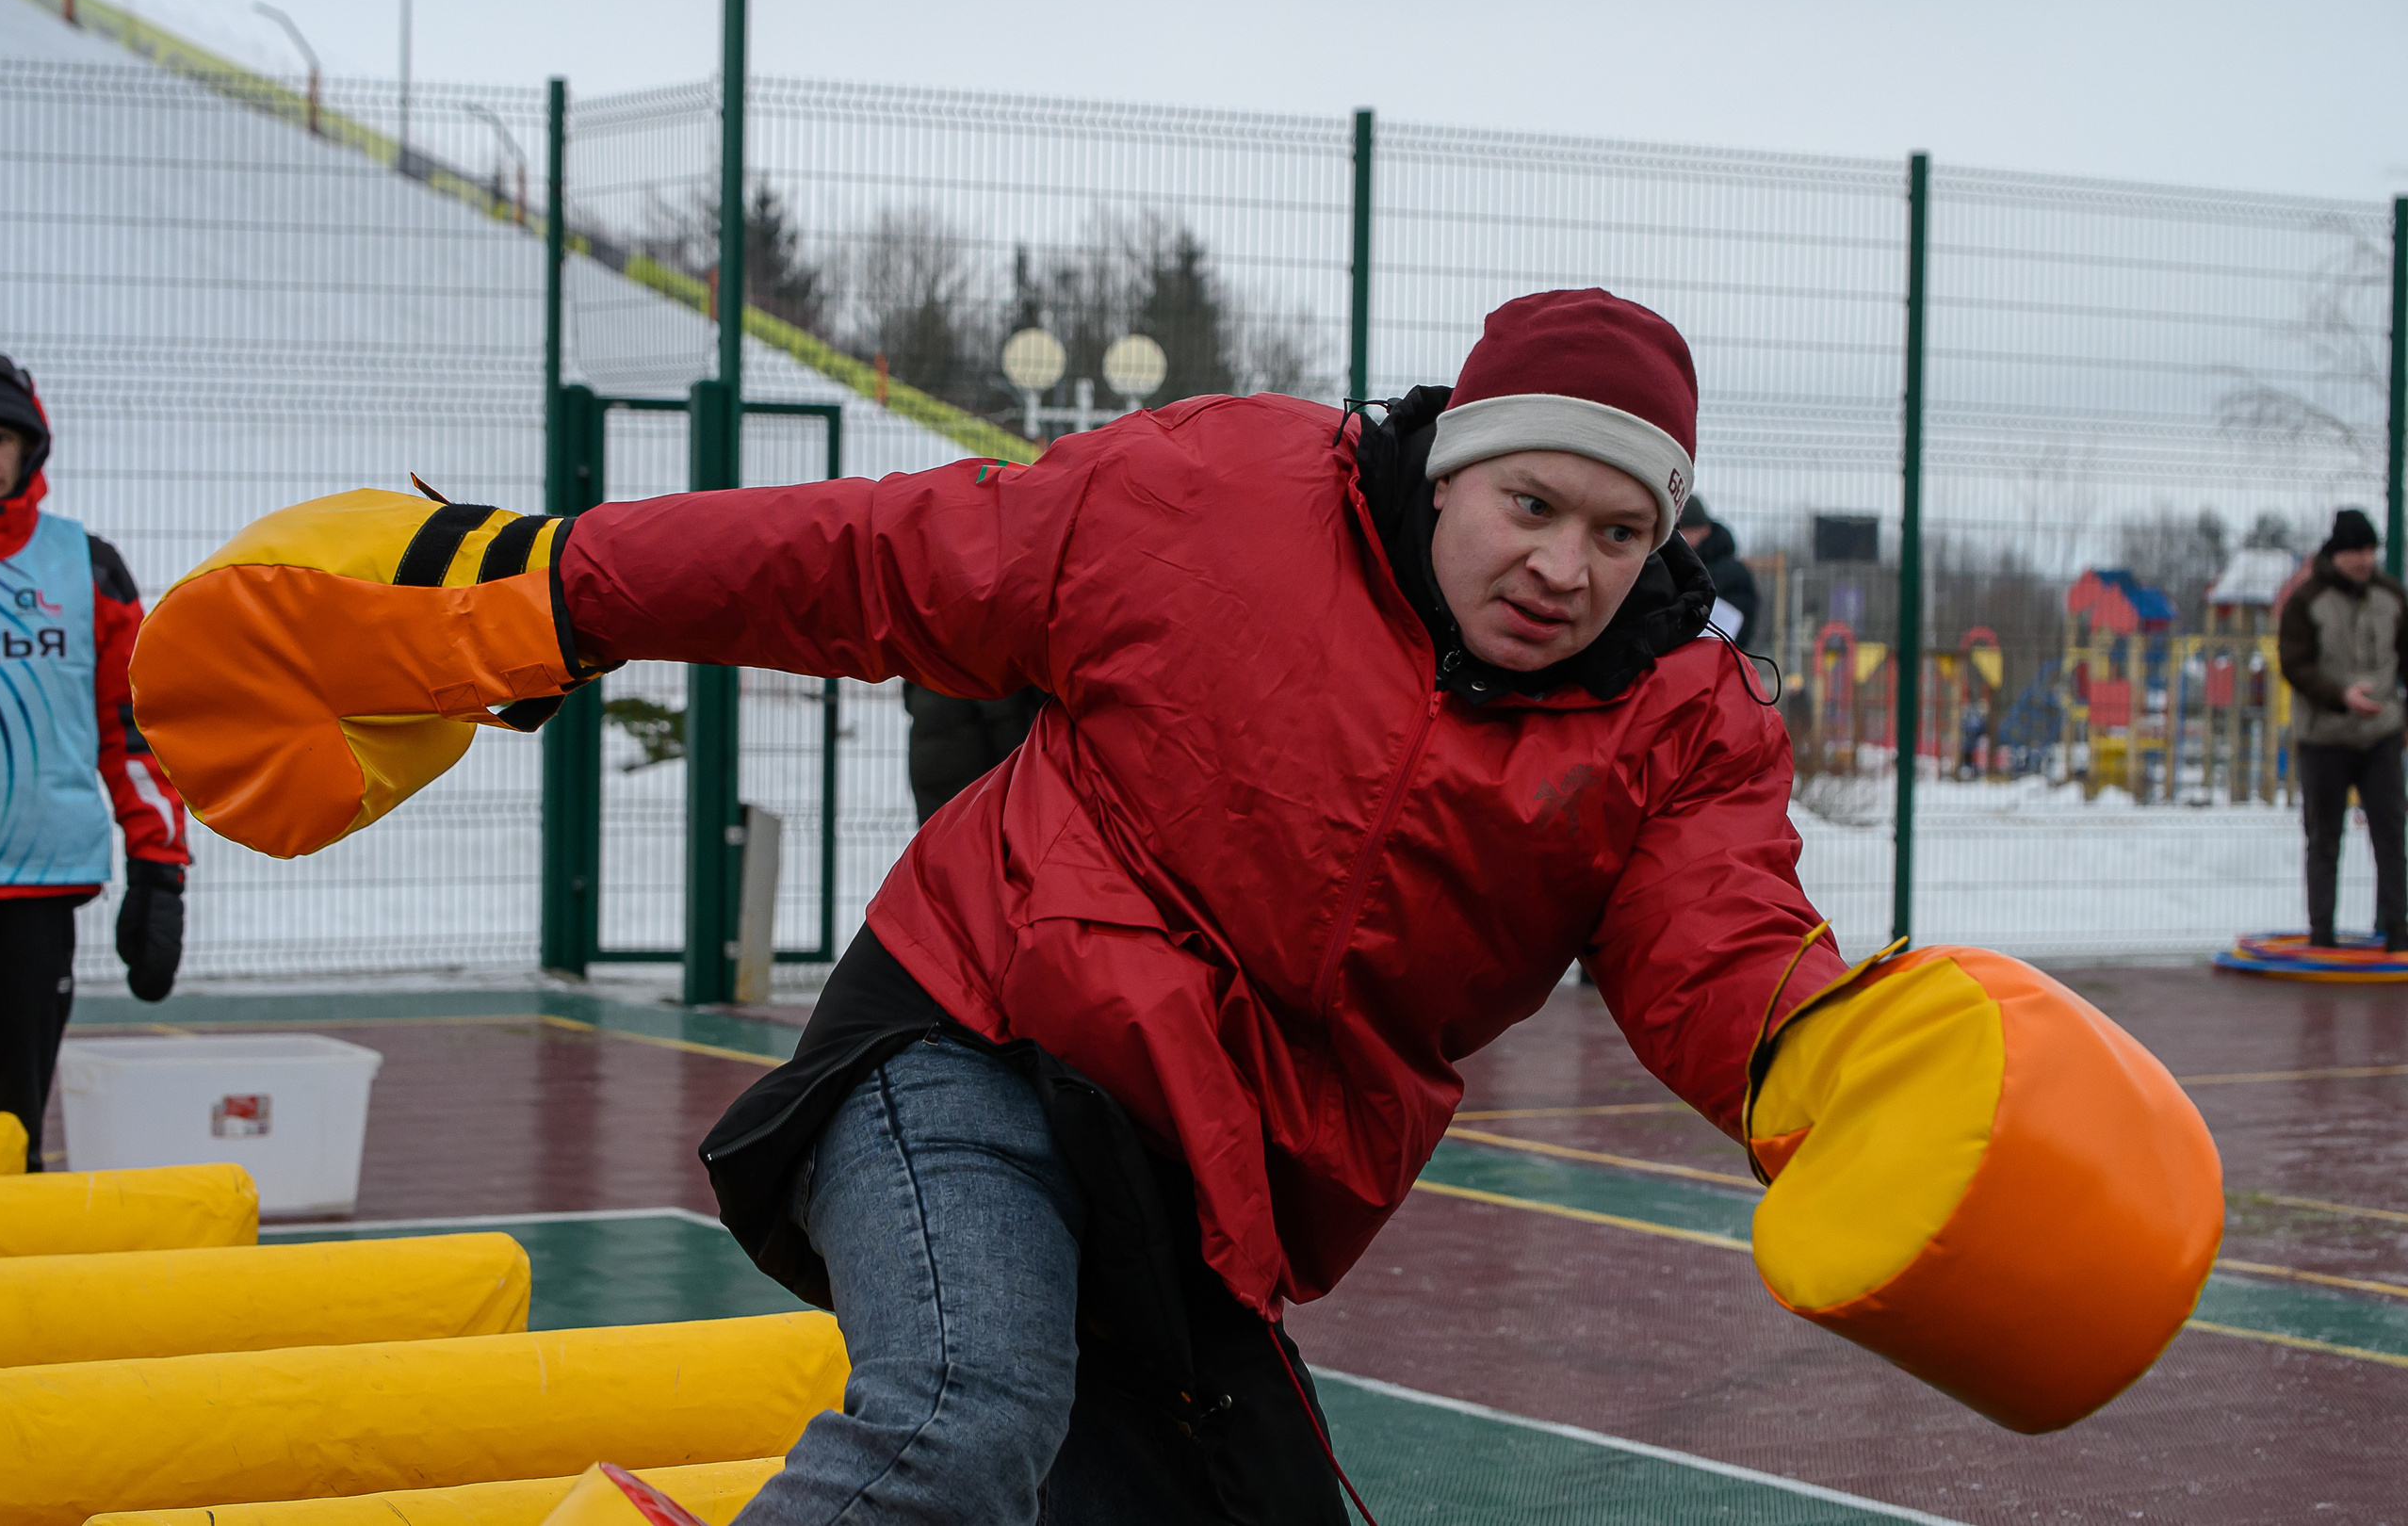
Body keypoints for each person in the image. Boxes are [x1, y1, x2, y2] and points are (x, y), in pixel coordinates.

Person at [134, 291, 2220, 1520]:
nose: (1561, 561)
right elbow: (851, 558)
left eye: (1613, 526)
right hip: (959, 1039)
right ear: (1443, 468)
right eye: (1528, 500)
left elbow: (1710, 942)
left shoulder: (1677, 725)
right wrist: (535, 586)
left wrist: (1818, 1055)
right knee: (959, 1421)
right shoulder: (1202, 501)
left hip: (1202, 1186)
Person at [0, 354, 189, 1172]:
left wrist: (159, 867)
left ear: (29, 449)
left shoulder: (89, 569)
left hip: (37, 888)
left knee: (10, 1128)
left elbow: (138, 729)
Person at [2277, 507, 2408, 950]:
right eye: (2356, 550)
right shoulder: (2306, 601)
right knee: (2324, 839)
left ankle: (2398, 934)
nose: (2365, 559)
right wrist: (2340, 696)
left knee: (2390, 834)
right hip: (2324, 738)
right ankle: (2322, 936)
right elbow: (2294, 664)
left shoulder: (2392, 597)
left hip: (2382, 736)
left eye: (2371, 550)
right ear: (2337, 553)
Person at [899, 681, 1048, 823]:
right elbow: (1002, 707)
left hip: (928, 751)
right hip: (977, 758)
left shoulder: (932, 661)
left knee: (936, 837)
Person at [1675, 494, 1759, 651]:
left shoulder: (1733, 574)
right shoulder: (1664, 564)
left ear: (1705, 530)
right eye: (1678, 532)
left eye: (1688, 531)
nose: (1682, 538)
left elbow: (1740, 623)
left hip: (1716, 654)